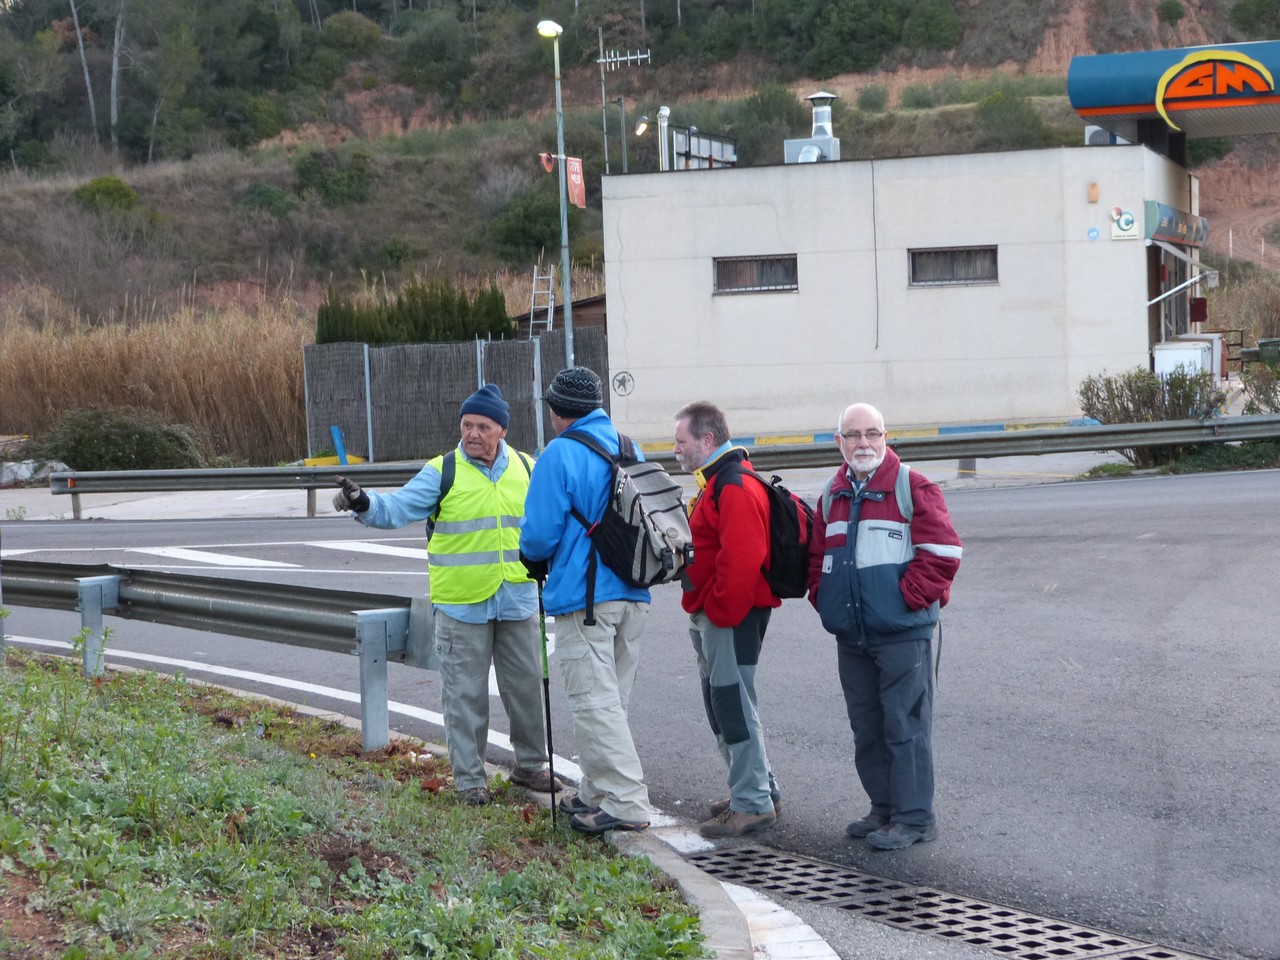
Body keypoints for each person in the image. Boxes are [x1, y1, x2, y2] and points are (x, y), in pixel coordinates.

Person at [332, 384, 561, 806]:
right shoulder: (444, 471)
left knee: (527, 688)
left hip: (518, 599)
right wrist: (363, 503)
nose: (472, 433)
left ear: (503, 430)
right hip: (461, 604)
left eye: (483, 426)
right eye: (467, 424)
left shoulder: (528, 468)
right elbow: (397, 508)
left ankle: (531, 766)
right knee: (465, 695)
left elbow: (553, 522)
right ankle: (471, 780)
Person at [808, 402, 962, 850]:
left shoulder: (912, 486)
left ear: (885, 437)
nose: (864, 443)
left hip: (901, 635)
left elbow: (944, 554)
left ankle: (915, 818)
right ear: (839, 442)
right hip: (852, 635)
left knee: (905, 726)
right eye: (853, 435)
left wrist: (903, 601)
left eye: (872, 433)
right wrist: (826, 600)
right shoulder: (832, 493)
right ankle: (884, 809)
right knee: (867, 727)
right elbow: (817, 560)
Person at [519, 366, 654, 833]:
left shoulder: (559, 452)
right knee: (611, 702)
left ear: (556, 410)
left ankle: (626, 802)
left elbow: (538, 536)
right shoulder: (629, 446)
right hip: (634, 592)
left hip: (586, 597)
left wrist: (531, 557)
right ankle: (596, 791)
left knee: (594, 704)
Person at [673, 401, 782, 839]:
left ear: (707, 439)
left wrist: (716, 612)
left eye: (681, 442)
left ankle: (752, 803)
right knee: (728, 705)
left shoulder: (733, 485)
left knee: (733, 706)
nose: (676, 450)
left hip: (729, 617)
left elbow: (742, 560)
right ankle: (757, 790)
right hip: (718, 615)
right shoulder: (718, 481)